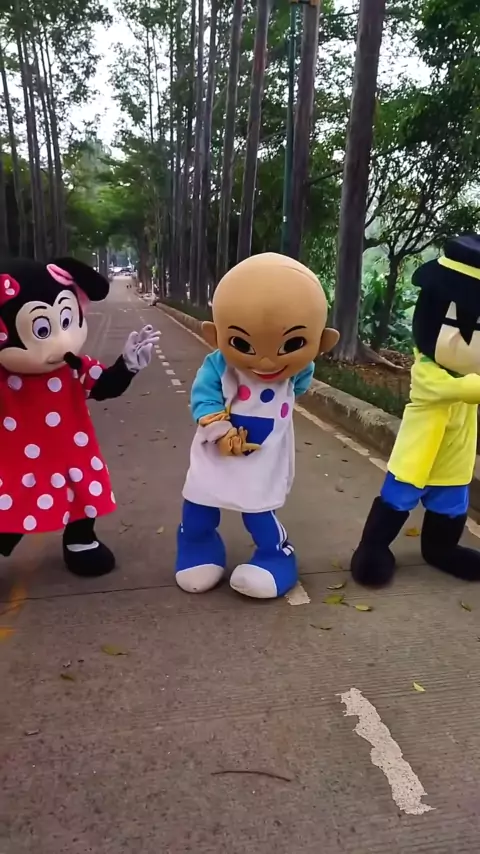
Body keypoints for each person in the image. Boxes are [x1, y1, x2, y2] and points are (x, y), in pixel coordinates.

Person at [175, 252, 339, 599]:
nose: (265, 362)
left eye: (292, 344)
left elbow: (295, 388)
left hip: (264, 454)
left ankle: (276, 555)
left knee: (258, 509)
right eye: (241, 344)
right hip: (215, 450)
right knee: (199, 503)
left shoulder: (299, 370)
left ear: (322, 341)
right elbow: (204, 398)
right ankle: (198, 546)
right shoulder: (219, 366)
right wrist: (221, 432)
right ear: (215, 335)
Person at [0, 257, 158, 577]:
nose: (62, 342)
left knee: (82, 495)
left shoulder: (73, 367)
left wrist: (127, 366)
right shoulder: (5, 380)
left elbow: (103, 385)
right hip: (19, 459)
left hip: (73, 451)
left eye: (67, 320)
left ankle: (80, 540)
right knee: (12, 505)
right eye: (43, 329)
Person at [351, 234, 480, 586]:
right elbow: (462, 390)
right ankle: (373, 548)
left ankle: (441, 550)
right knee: (397, 501)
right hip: (418, 456)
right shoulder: (426, 370)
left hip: (454, 459)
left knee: (450, 508)